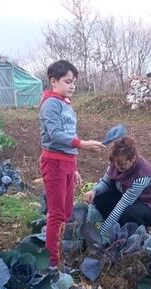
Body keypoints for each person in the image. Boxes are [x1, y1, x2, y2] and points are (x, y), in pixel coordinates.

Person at [38, 60, 104, 268]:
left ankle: (58, 251)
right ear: (53, 81)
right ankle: (53, 262)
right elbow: (56, 135)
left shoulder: (66, 104)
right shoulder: (51, 103)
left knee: (66, 213)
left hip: (66, 164)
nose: (72, 86)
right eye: (68, 81)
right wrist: (82, 144)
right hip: (54, 163)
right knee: (57, 214)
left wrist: (74, 168)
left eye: (74, 82)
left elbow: (69, 136)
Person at [81, 130, 151, 236]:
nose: (117, 167)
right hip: (128, 200)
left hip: (149, 207)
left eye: (121, 165)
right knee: (99, 198)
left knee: (130, 214)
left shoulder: (143, 175)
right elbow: (106, 183)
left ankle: (140, 237)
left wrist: (101, 234)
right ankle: (117, 229)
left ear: (133, 159)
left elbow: (122, 206)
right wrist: (94, 191)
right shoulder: (116, 162)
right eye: (115, 163)